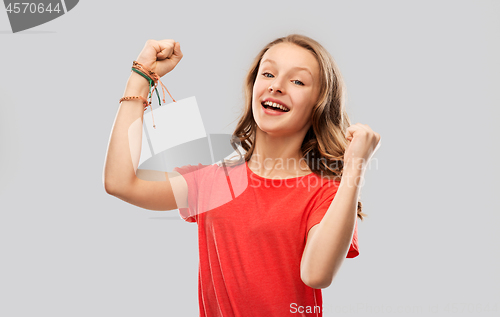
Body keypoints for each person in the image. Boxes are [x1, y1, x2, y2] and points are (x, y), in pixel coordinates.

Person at [103, 34, 381, 317]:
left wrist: (355, 166)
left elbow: (317, 275)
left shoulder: (326, 193)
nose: (276, 86)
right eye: (269, 73)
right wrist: (140, 77)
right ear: (253, 87)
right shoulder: (214, 182)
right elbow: (120, 182)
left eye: (297, 81)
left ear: (319, 103)